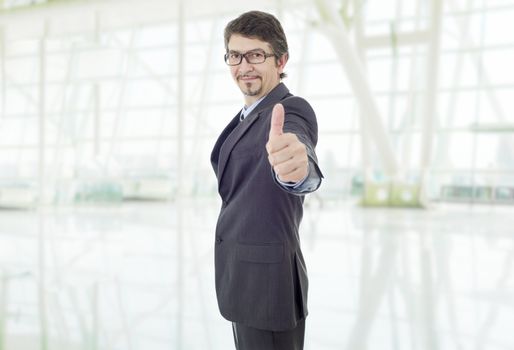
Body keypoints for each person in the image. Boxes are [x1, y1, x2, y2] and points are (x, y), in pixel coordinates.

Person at [210, 10, 323, 350]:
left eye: (256, 55)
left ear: (281, 59)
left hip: (268, 287)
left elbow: (298, 150)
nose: (244, 65)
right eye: (235, 55)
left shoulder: (289, 109)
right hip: (242, 278)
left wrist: (297, 171)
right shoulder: (245, 116)